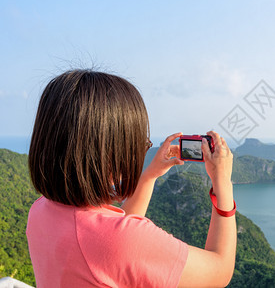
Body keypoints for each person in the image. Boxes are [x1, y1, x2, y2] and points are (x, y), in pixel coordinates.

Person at [26, 70, 236, 287]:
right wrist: (223, 184)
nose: (139, 152)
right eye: (138, 144)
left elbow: (111, 235)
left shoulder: (40, 211)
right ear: (109, 153)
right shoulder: (122, 241)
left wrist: (149, 176)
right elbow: (219, 271)